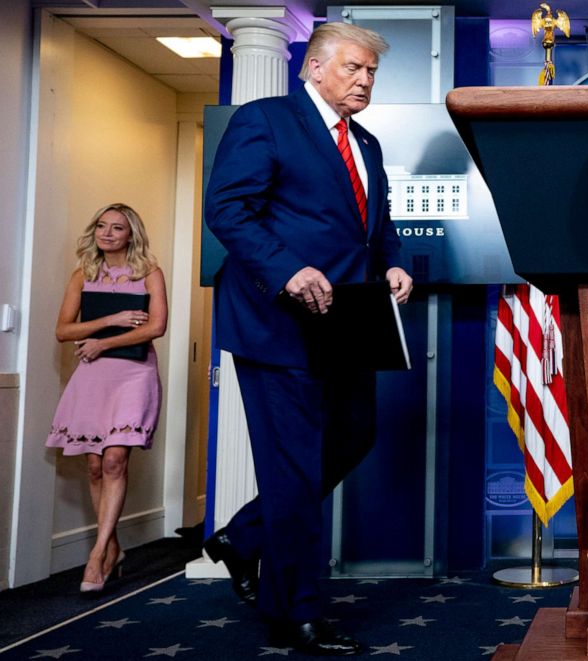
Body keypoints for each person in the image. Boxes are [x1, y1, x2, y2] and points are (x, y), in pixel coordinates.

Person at [203, 22, 413, 657]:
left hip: (347, 323)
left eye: (371, 72)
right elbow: (228, 209)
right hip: (277, 324)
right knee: (293, 470)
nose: (364, 80)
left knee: (355, 435)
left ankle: (242, 537)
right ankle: (294, 612)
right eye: (353, 68)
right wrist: (286, 269)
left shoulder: (367, 142)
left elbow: (376, 228)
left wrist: (394, 263)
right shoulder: (266, 120)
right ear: (314, 68)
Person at [46, 203, 168, 594]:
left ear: (131, 234)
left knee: (115, 458)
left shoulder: (149, 272)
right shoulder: (83, 274)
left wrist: (105, 343)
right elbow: (64, 331)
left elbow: (157, 327)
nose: (108, 233)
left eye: (117, 228)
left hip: (133, 373)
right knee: (95, 465)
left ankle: (97, 555)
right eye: (102, 226)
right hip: (93, 376)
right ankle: (113, 545)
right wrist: (110, 322)